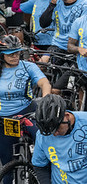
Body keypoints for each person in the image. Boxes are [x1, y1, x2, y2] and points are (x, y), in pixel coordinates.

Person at [33, 94, 87, 184]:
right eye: (50, 131)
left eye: (57, 128)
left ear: (66, 116)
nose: (54, 134)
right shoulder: (43, 135)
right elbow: (40, 166)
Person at [0, 35, 51, 169]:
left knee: (43, 140)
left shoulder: (28, 66)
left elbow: (44, 83)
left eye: (17, 53)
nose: (15, 57)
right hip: (4, 118)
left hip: (27, 112)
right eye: (10, 54)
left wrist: (45, 101)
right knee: (7, 162)